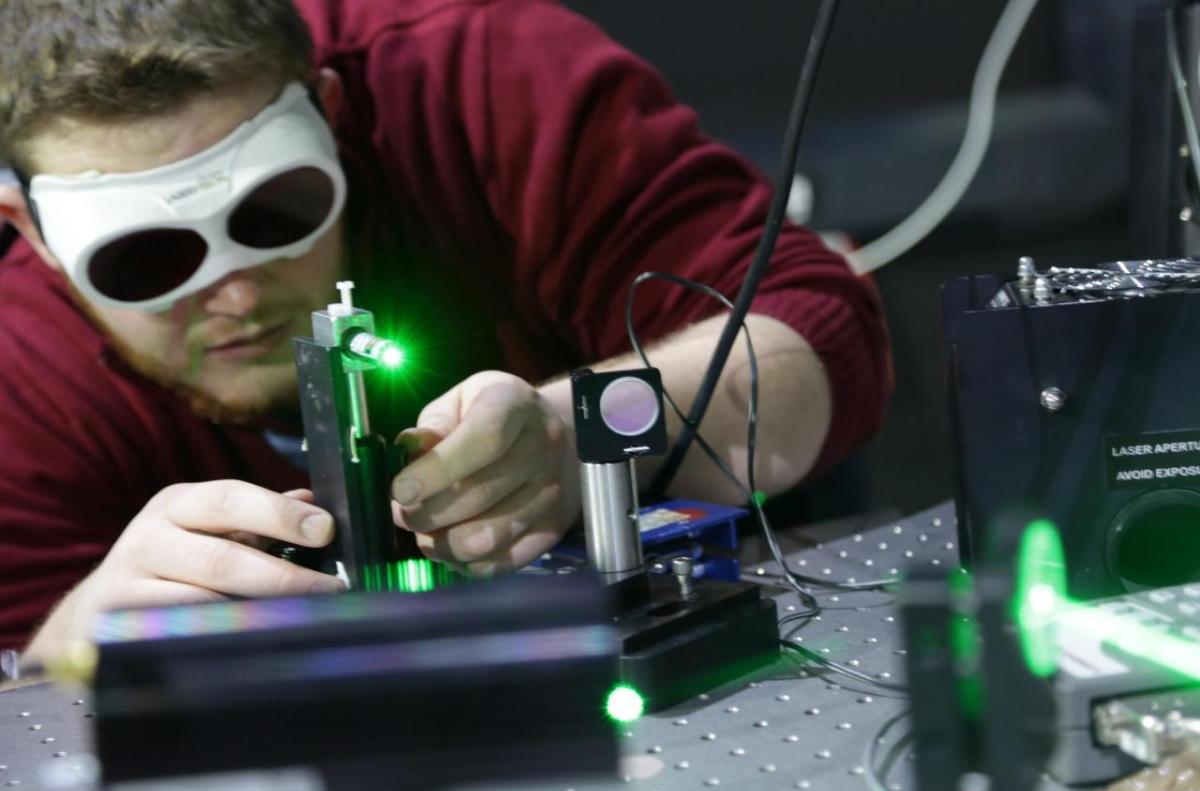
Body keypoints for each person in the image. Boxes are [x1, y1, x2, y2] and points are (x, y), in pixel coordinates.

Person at [0, 0, 891, 664]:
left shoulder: (489, 82)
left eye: (276, 210)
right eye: (148, 260)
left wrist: (573, 442)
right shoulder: (19, 371)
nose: (235, 296)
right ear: (31, 231)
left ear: (331, 114)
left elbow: (822, 339)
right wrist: (70, 644)